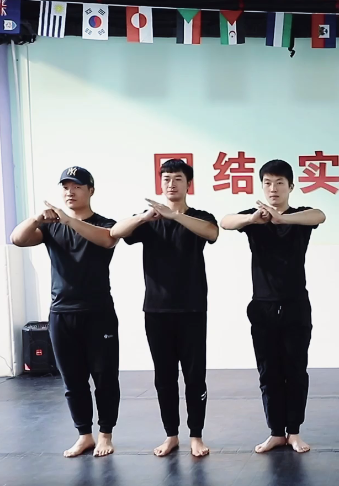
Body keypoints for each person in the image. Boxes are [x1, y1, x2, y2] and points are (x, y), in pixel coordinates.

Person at [110, 159, 219, 458]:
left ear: (188, 184)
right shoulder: (150, 221)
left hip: (192, 309)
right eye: (167, 178)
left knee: (195, 376)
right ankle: (171, 434)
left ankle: (196, 435)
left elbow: (212, 233)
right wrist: (146, 216)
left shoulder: (199, 217)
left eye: (178, 179)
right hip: (157, 311)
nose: (171, 184)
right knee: (164, 377)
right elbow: (115, 232)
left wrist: (175, 216)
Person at [9, 166, 120, 458]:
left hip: (98, 313)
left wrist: (69, 220)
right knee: (72, 379)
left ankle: (105, 434)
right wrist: (37, 218)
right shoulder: (51, 227)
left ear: (91, 190)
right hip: (61, 313)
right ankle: (84, 435)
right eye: (66, 187)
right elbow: (18, 239)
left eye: (77, 187)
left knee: (105, 377)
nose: (70, 192)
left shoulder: (105, 223)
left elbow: (107, 239)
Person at [220, 160, 326, 454]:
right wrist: (253, 219)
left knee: (296, 370)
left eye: (279, 183)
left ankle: (294, 432)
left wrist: (283, 219)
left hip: (295, 305)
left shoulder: (300, 216)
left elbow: (320, 215)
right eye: (267, 183)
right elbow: (225, 221)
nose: (273, 188)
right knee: (268, 372)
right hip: (262, 307)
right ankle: (276, 432)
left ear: (291, 186)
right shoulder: (255, 219)